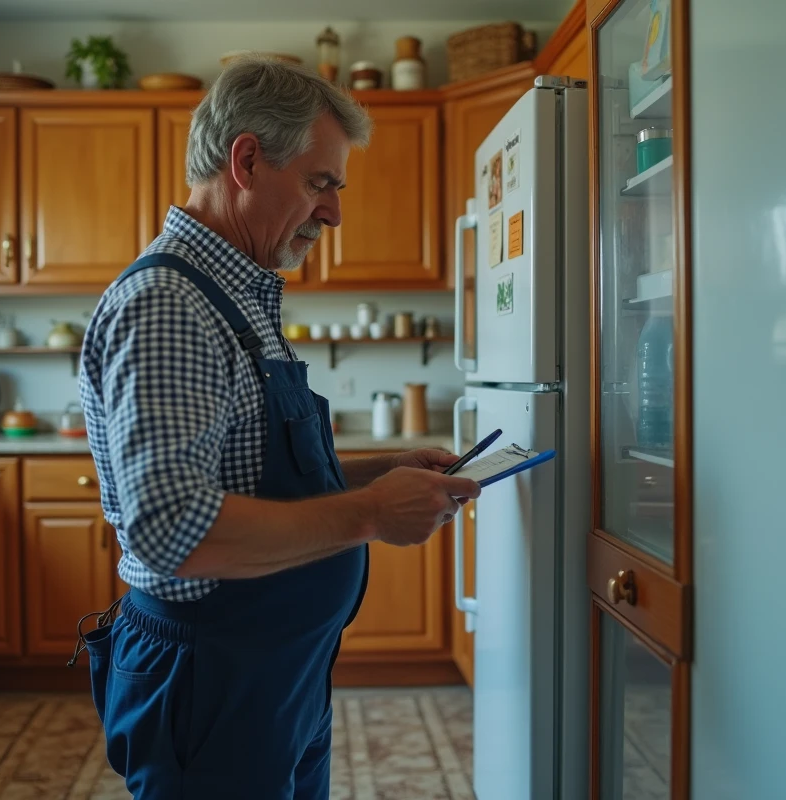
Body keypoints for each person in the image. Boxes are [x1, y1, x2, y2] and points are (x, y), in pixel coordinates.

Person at [74, 55, 481, 800]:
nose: (334, 213)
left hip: (272, 672)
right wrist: (371, 513)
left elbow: (247, 467)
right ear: (248, 160)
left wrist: (375, 472)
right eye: (320, 182)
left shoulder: (238, 292)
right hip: (215, 679)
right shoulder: (169, 303)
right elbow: (171, 529)